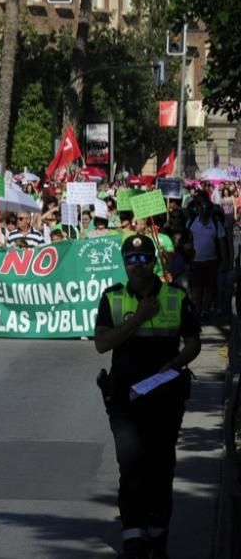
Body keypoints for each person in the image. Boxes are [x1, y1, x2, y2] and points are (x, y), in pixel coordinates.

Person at [94, 235, 201, 559]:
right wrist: (139, 317)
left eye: (143, 260)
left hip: (165, 397)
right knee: (131, 467)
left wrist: (177, 362)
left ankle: (157, 533)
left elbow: (194, 342)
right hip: (125, 399)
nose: (137, 266)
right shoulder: (112, 298)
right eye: (131, 260)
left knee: (160, 465)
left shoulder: (175, 296)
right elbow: (102, 343)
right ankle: (134, 537)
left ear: (153, 262)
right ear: (124, 263)